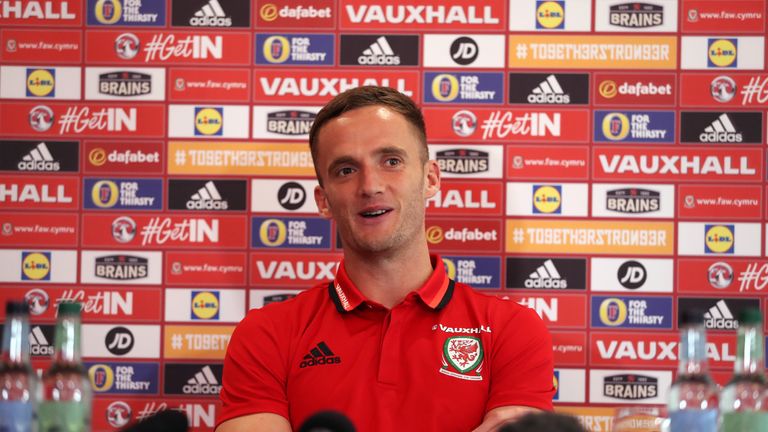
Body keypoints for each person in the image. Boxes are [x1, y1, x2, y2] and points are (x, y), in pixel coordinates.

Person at [216, 86, 555, 432]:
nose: (370, 185)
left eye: (391, 161)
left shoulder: (511, 330)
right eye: (346, 170)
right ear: (323, 200)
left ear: (430, 178)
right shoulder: (266, 334)